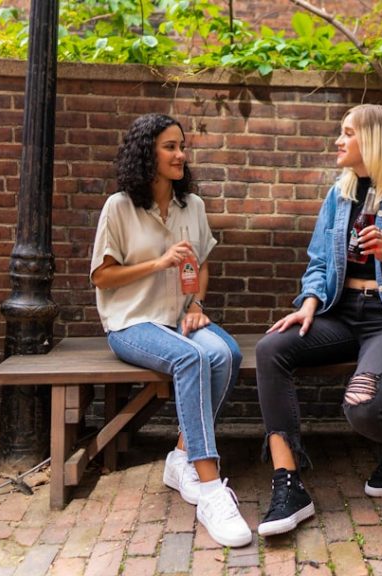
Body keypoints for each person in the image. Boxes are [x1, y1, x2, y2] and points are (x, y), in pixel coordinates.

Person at [254, 104, 382, 537]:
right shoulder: (339, 195)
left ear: (375, 140)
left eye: (348, 133)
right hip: (340, 315)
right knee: (271, 348)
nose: (338, 141)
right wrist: (309, 300)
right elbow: (320, 261)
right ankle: (288, 482)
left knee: (362, 409)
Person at [90, 113, 250, 547]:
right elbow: (102, 278)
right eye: (170, 147)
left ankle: (181, 455)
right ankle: (210, 485)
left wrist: (196, 304)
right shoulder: (119, 207)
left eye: (182, 146)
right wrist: (158, 263)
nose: (181, 154)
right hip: (131, 322)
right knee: (193, 356)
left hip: (180, 319)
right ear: (148, 153)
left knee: (227, 353)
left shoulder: (192, 206)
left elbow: (202, 265)